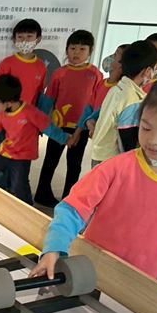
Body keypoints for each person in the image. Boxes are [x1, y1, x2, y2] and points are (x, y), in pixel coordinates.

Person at [31, 70, 157, 302]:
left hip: (142, 296)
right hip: (88, 276)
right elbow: (72, 209)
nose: (153, 140)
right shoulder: (116, 167)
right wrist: (54, 248)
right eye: (145, 128)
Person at [34, 30, 103, 206]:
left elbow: (97, 103)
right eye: (73, 48)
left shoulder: (95, 74)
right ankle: (42, 193)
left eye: (82, 49)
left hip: (81, 127)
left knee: (74, 164)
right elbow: (48, 99)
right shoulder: (59, 73)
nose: (76, 53)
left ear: (90, 51)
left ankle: (68, 198)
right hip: (59, 125)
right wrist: (40, 123)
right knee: (50, 161)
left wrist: (94, 125)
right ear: (67, 50)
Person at [0, 74, 67, 204]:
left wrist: (65, 139)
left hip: (22, 157)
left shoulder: (30, 112)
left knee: (19, 186)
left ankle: (28, 208)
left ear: (8, 103)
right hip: (5, 152)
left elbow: (48, 127)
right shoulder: (1, 114)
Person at [90, 40, 157, 167]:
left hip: (99, 153)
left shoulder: (116, 89)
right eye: (154, 68)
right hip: (113, 160)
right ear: (148, 71)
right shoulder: (132, 100)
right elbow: (128, 141)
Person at [75, 43, 129, 139]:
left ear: (121, 65)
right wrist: (78, 131)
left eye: (116, 54)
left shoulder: (120, 89)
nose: (110, 57)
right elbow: (89, 108)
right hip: (92, 131)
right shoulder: (101, 83)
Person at [0, 18, 47, 106]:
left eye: (29, 36)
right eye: (20, 37)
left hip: (29, 111)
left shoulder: (41, 66)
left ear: (38, 39)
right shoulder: (7, 64)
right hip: (8, 112)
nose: (24, 41)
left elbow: (39, 93)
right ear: (14, 40)